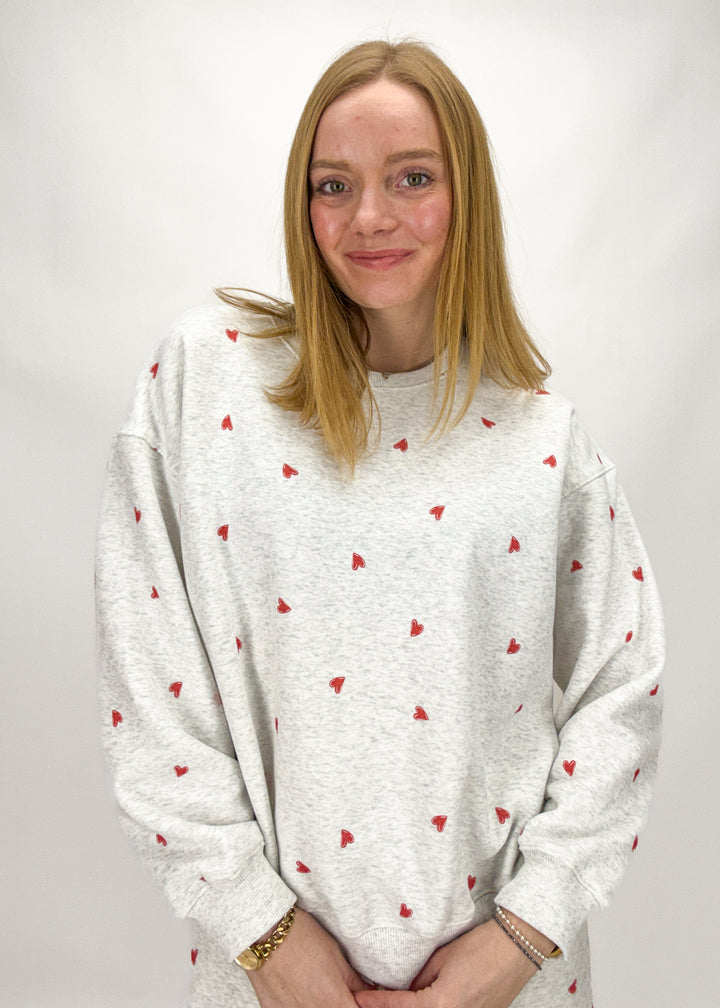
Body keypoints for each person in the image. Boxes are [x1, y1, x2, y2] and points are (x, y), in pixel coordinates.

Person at [96, 39, 664, 1008]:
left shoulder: (542, 442)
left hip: (503, 989)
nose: (369, 218)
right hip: (265, 986)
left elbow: (623, 692)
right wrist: (264, 936)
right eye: (332, 184)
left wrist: (521, 939)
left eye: (413, 178)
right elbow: (151, 685)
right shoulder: (206, 384)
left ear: (468, 197)